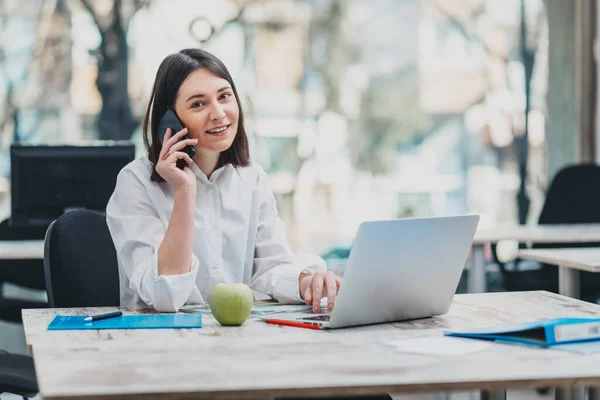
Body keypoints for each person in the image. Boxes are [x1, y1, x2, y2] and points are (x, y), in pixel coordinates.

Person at [105, 48, 342, 313]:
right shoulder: (135, 183)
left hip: (233, 338)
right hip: (158, 342)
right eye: (198, 104)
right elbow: (164, 295)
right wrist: (184, 189)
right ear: (169, 120)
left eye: (224, 96)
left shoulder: (251, 178)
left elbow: (271, 267)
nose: (219, 113)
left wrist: (307, 282)